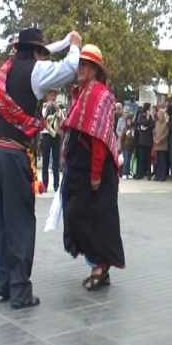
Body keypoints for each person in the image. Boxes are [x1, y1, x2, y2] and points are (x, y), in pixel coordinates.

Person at [0, 27, 81, 309]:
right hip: (13, 155)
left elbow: (45, 51)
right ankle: (20, 291)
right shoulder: (36, 72)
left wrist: (63, 41)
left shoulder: (7, 68)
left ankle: (3, 283)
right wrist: (73, 45)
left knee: (2, 222)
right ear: (36, 51)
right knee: (21, 223)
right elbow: (69, 67)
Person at [61, 44, 125, 291]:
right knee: (76, 214)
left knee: (97, 219)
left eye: (85, 65)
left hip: (94, 168)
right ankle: (97, 264)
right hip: (78, 166)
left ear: (96, 69)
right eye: (80, 64)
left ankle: (100, 267)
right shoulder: (80, 92)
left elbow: (99, 137)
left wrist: (96, 174)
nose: (80, 68)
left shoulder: (101, 95)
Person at [40, 89, 63, 192]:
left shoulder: (59, 107)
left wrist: (58, 109)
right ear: (47, 96)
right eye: (51, 95)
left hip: (56, 135)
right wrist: (47, 107)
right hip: (46, 134)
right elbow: (42, 119)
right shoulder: (44, 107)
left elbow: (62, 119)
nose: (52, 97)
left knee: (56, 161)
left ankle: (56, 185)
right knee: (45, 160)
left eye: (54, 95)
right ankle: (45, 184)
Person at [136, 103, 154, 180]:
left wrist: (146, 127)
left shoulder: (150, 116)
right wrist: (146, 119)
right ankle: (140, 173)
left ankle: (148, 174)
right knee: (141, 158)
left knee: (148, 159)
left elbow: (152, 125)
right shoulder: (141, 115)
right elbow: (141, 123)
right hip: (142, 140)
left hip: (148, 140)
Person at [153, 107, 169, 182]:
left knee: (162, 161)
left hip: (163, 145)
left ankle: (162, 176)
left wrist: (160, 140)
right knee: (157, 161)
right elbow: (154, 133)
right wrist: (155, 139)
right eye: (158, 115)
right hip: (156, 145)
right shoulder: (156, 123)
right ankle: (157, 175)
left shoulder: (166, 124)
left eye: (161, 115)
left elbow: (166, 134)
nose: (159, 116)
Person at [120, 115, 134, 179]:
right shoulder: (125, 129)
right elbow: (121, 138)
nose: (129, 122)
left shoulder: (132, 128)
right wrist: (122, 147)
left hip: (131, 147)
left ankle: (128, 173)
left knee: (129, 161)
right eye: (128, 121)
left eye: (130, 121)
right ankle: (124, 173)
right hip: (125, 147)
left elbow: (134, 138)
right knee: (125, 161)